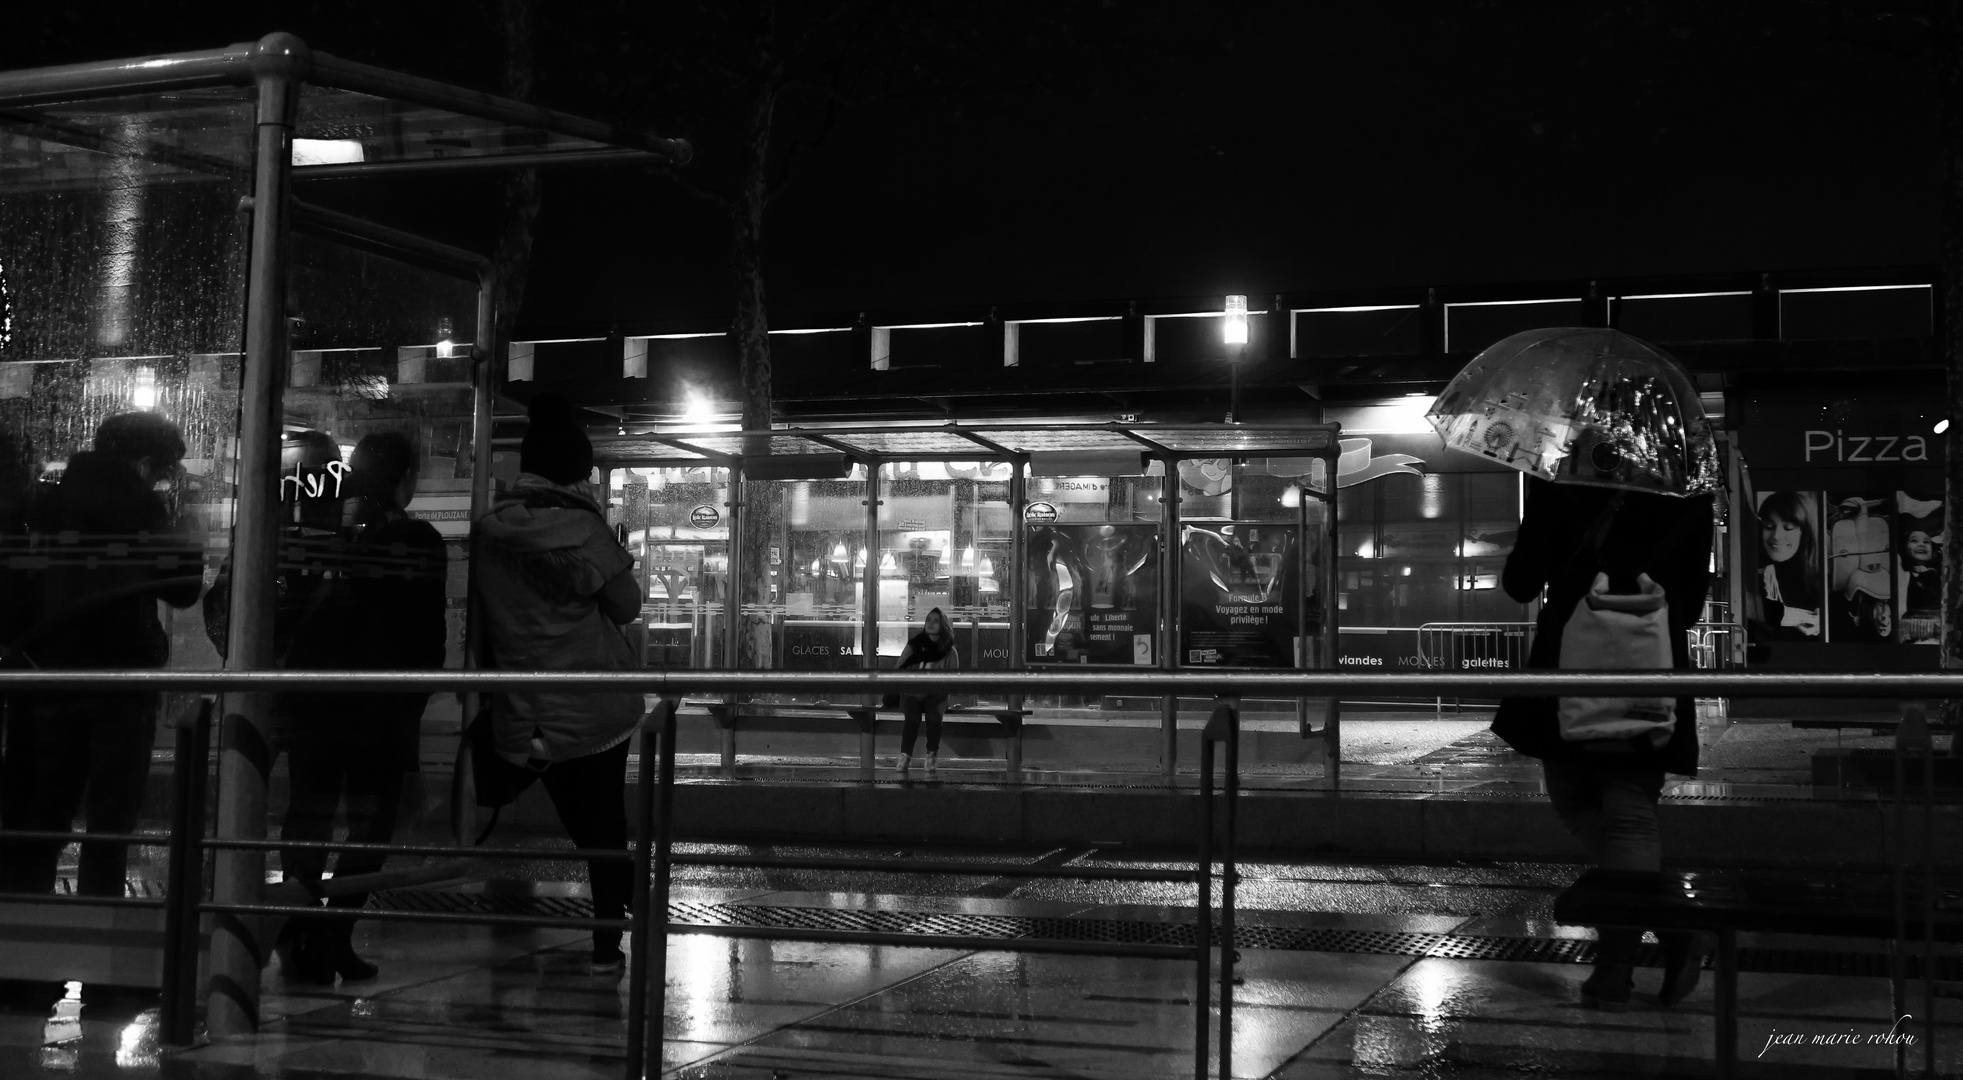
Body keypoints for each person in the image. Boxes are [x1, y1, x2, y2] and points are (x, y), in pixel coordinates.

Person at [1492, 476, 1714, 1011]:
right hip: (1650, 667)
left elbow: (1521, 583)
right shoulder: (1688, 490)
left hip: (1567, 671)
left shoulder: (1562, 482)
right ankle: (1651, 940)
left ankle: (1620, 966)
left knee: (1575, 802)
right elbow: (1691, 602)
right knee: (1631, 811)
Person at [470, 393, 644, 975]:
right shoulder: (583, 529)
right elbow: (627, 607)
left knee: (584, 824)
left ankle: (615, 915)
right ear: (577, 471)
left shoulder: (490, 532)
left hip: (524, 711)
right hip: (595, 711)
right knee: (604, 827)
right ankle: (606, 943)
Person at [0, 413, 202, 896]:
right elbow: (182, 590)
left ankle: (28, 943)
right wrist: (185, 531)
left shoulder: (47, 503)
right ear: (144, 462)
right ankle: (103, 943)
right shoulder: (143, 508)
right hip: (121, 682)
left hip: (48, 680)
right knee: (110, 825)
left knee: (42, 816)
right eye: (161, 471)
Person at [276, 432, 447, 984]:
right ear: (405, 480)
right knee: (371, 824)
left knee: (309, 815)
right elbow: (426, 643)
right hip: (379, 711)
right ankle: (335, 932)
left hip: (314, 702)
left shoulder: (320, 535)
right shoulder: (417, 540)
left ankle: (299, 932)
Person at [894, 607, 960, 774]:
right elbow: (899, 668)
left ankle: (931, 755)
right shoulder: (914, 646)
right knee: (912, 717)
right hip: (912, 692)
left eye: (935, 621)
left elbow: (954, 678)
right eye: (928, 620)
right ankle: (905, 756)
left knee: (933, 716)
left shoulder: (949, 651)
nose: (931, 624)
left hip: (936, 694)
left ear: (943, 625)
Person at [1755, 491, 1820, 640]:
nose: (1776, 536)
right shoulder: (1754, 575)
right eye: (1769, 526)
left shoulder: (1819, 583)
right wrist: (1802, 617)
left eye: (1788, 527)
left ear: (1805, 533)